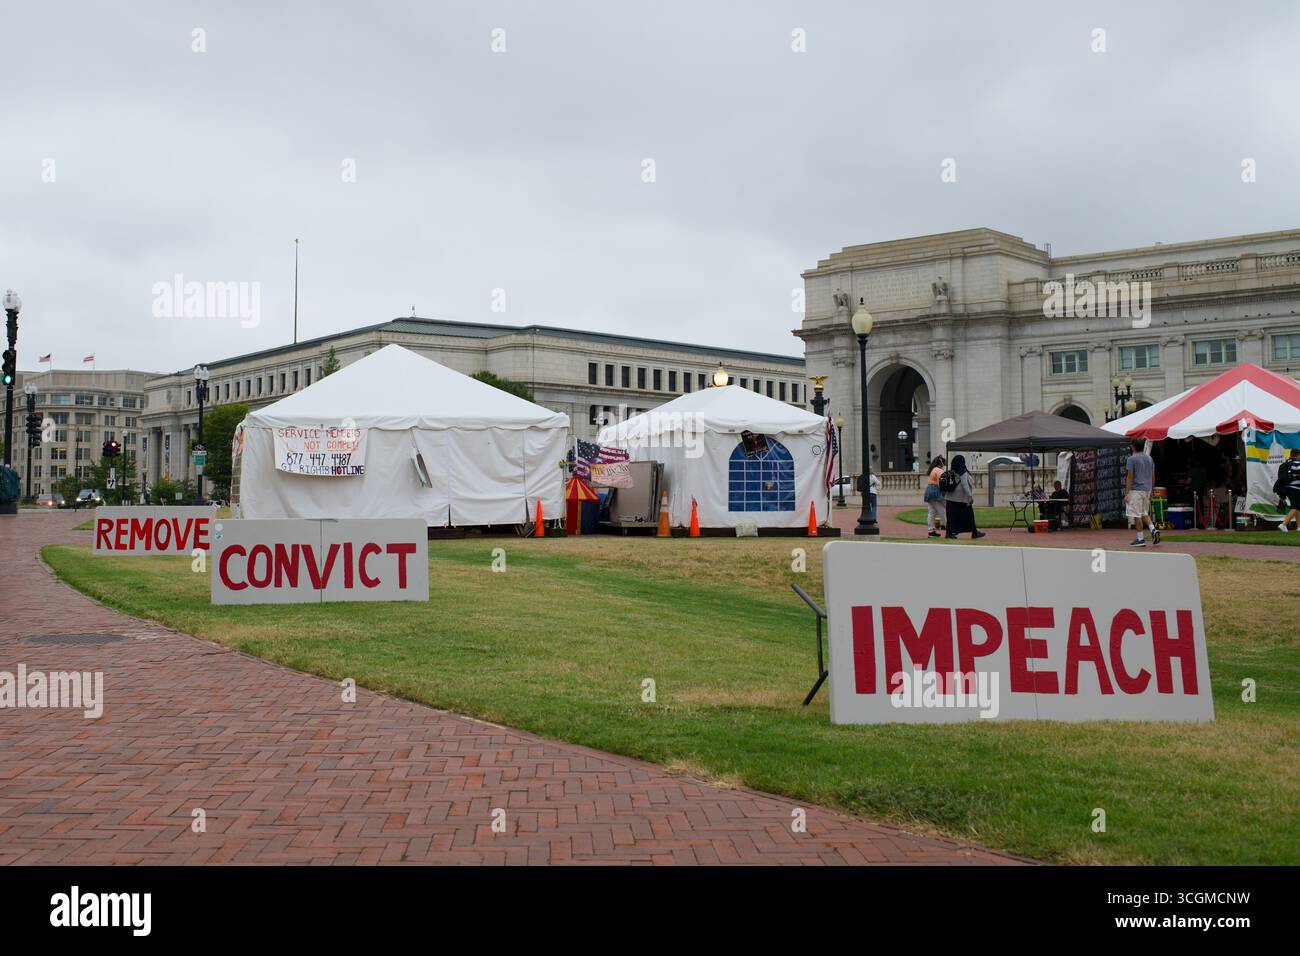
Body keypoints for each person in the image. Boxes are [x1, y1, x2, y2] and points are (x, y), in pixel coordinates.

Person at [1125, 438, 1159, 546]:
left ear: (1133, 446)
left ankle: (1140, 539)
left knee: (1136, 514)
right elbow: (1153, 476)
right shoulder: (1149, 458)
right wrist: (1152, 490)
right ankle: (1153, 529)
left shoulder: (1131, 459)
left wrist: (1127, 493)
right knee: (1144, 512)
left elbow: (1130, 477)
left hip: (1136, 489)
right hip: (1147, 489)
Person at [943, 455, 985, 540]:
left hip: (951, 498)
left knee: (951, 517)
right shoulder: (963, 471)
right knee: (969, 516)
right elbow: (965, 485)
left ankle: (950, 533)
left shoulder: (952, 471)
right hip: (961, 499)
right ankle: (974, 532)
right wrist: (970, 497)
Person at [1273, 448, 1300, 532]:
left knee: (1297, 507)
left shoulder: (1285, 463)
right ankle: (1283, 524)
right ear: (1298, 455)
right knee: (1296, 507)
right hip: (1296, 489)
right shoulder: (1296, 463)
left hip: (1287, 488)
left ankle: (1299, 527)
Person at [923, 455, 946, 537]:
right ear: (941, 463)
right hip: (935, 491)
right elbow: (942, 482)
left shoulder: (932, 469)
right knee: (943, 511)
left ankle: (931, 531)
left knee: (932, 512)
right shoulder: (939, 470)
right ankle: (949, 529)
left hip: (929, 490)